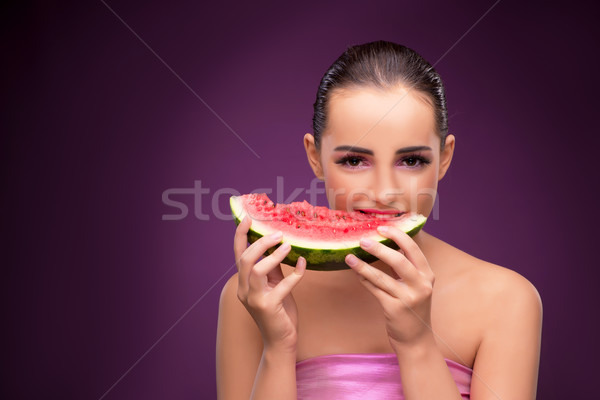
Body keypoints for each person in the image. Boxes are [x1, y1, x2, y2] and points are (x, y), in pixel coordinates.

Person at [216, 40, 542, 399]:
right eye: (355, 161)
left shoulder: (507, 300)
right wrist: (278, 349)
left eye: (412, 160)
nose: (385, 192)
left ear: (445, 158)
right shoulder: (252, 297)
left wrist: (417, 343)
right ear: (315, 157)